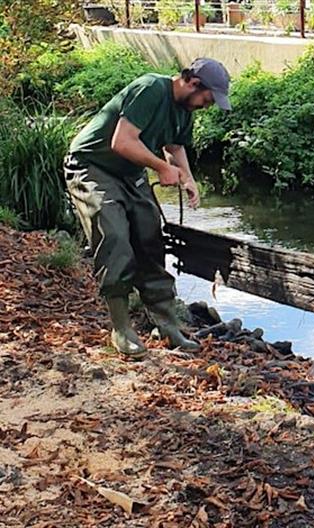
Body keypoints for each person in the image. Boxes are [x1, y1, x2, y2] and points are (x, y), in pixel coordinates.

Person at [63, 58, 232, 360]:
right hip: (92, 166)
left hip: (129, 173)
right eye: (208, 98)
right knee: (114, 236)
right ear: (193, 83)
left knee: (149, 236)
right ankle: (121, 328)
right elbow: (121, 141)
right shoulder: (151, 88)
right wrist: (159, 168)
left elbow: (175, 147)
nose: (208, 105)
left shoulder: (185, 110)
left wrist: (188, 180)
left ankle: (167, 324)